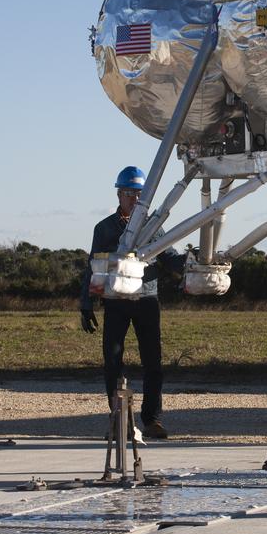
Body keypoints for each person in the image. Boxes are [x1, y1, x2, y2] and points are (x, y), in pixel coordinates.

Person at [80, 166, 185, 439]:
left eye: (139, 194)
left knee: (153, 362)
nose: (134, 199)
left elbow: (170, 257)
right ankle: (119, 420)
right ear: (119, 194)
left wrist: (193, 263)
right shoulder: (103, 228)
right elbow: (93, 266)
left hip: (147, 299)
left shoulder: (154, 227)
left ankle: (153, 420)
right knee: (112, 362)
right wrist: (86, 304)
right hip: (115, 302)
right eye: (129, 193)